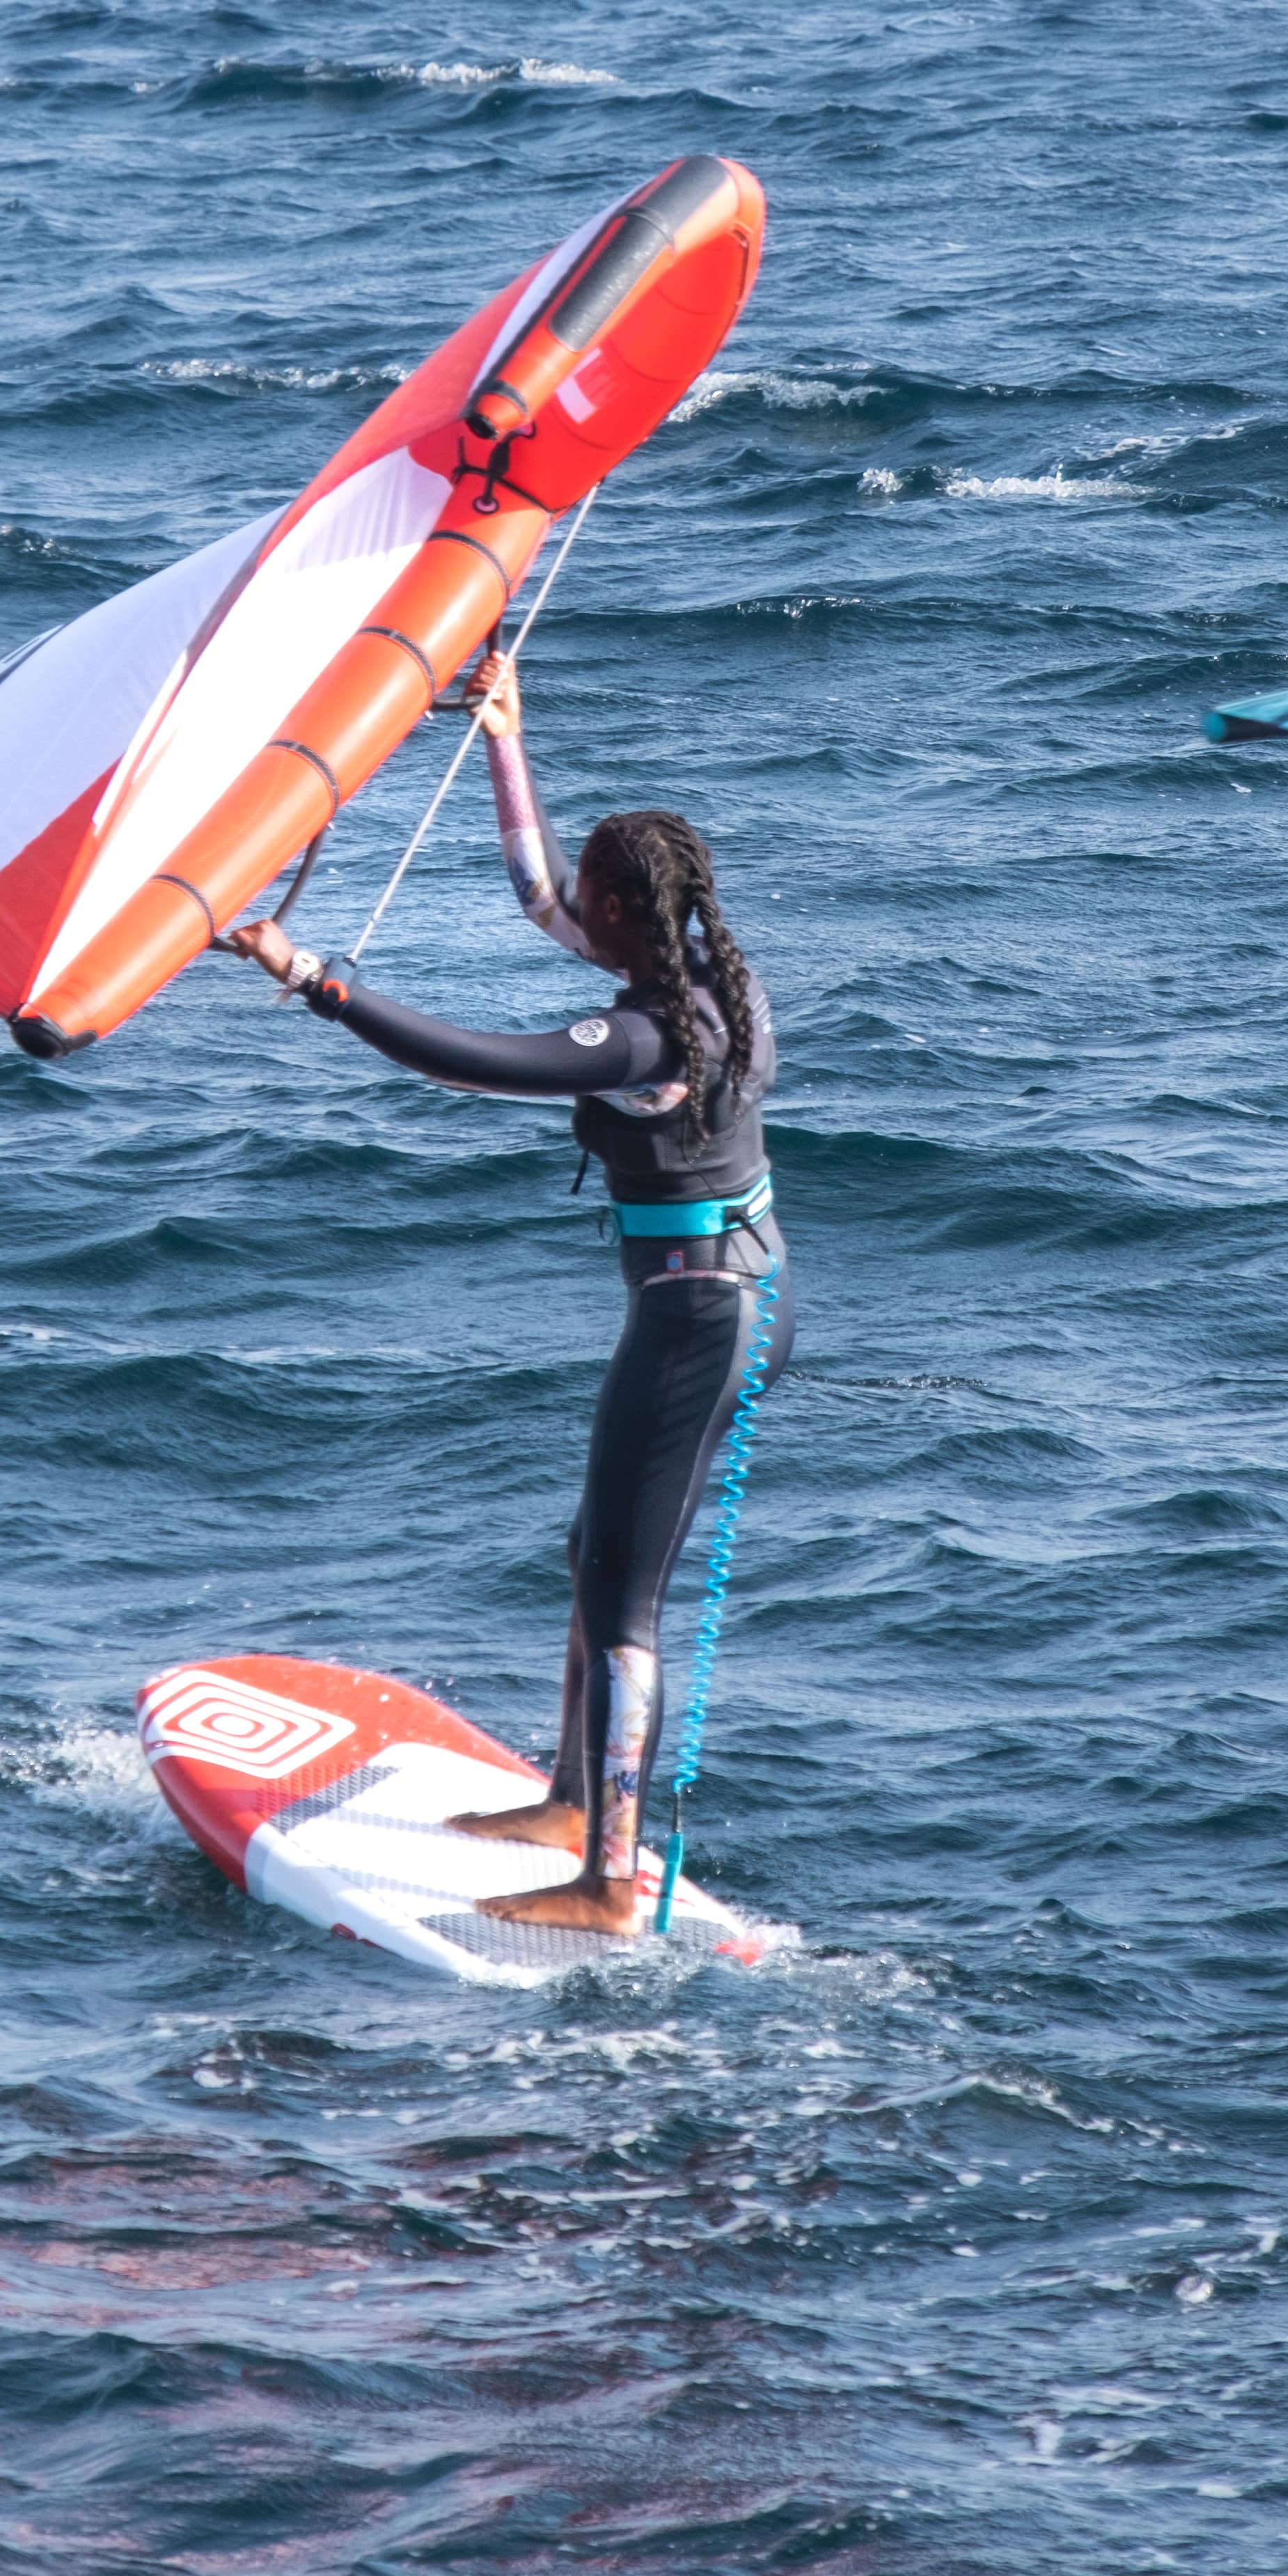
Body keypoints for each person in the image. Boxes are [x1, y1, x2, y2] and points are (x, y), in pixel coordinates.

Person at [224, 648, 789, 1937]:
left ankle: (607, 1877)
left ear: (625, 914)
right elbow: (536, 892)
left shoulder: (644, 1039)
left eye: (591, 899)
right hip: (724, 1292)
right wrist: (503, 737)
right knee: (596, 1559)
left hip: (703, 1317)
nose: (569, 911)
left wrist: (314, 977)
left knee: (625, 1596)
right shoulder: (716, 983)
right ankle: (573, 1801)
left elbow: (475, 1063)